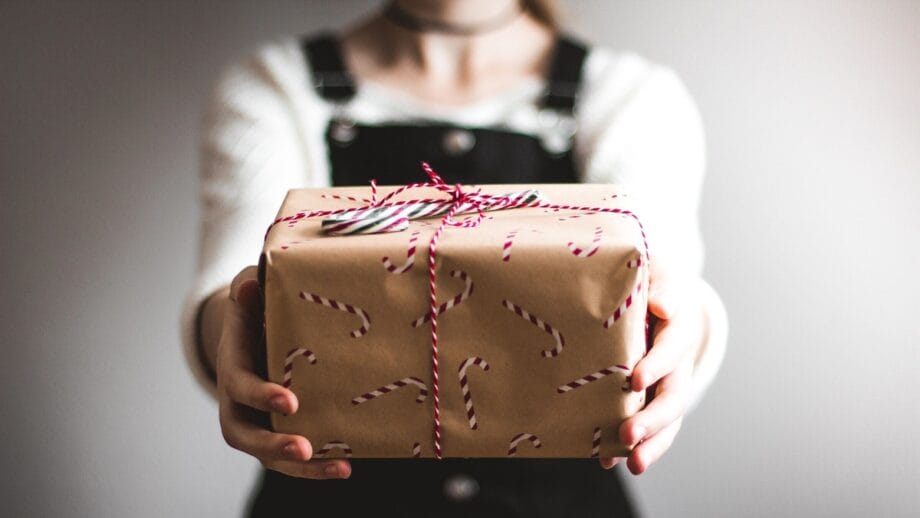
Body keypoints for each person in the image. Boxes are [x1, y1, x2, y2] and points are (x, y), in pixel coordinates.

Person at [181, 1, 728, 516]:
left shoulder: (630, 95)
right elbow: (233, 283)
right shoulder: (275, 87)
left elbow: (666, 277)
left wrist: (684, 330)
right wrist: (233, 336)